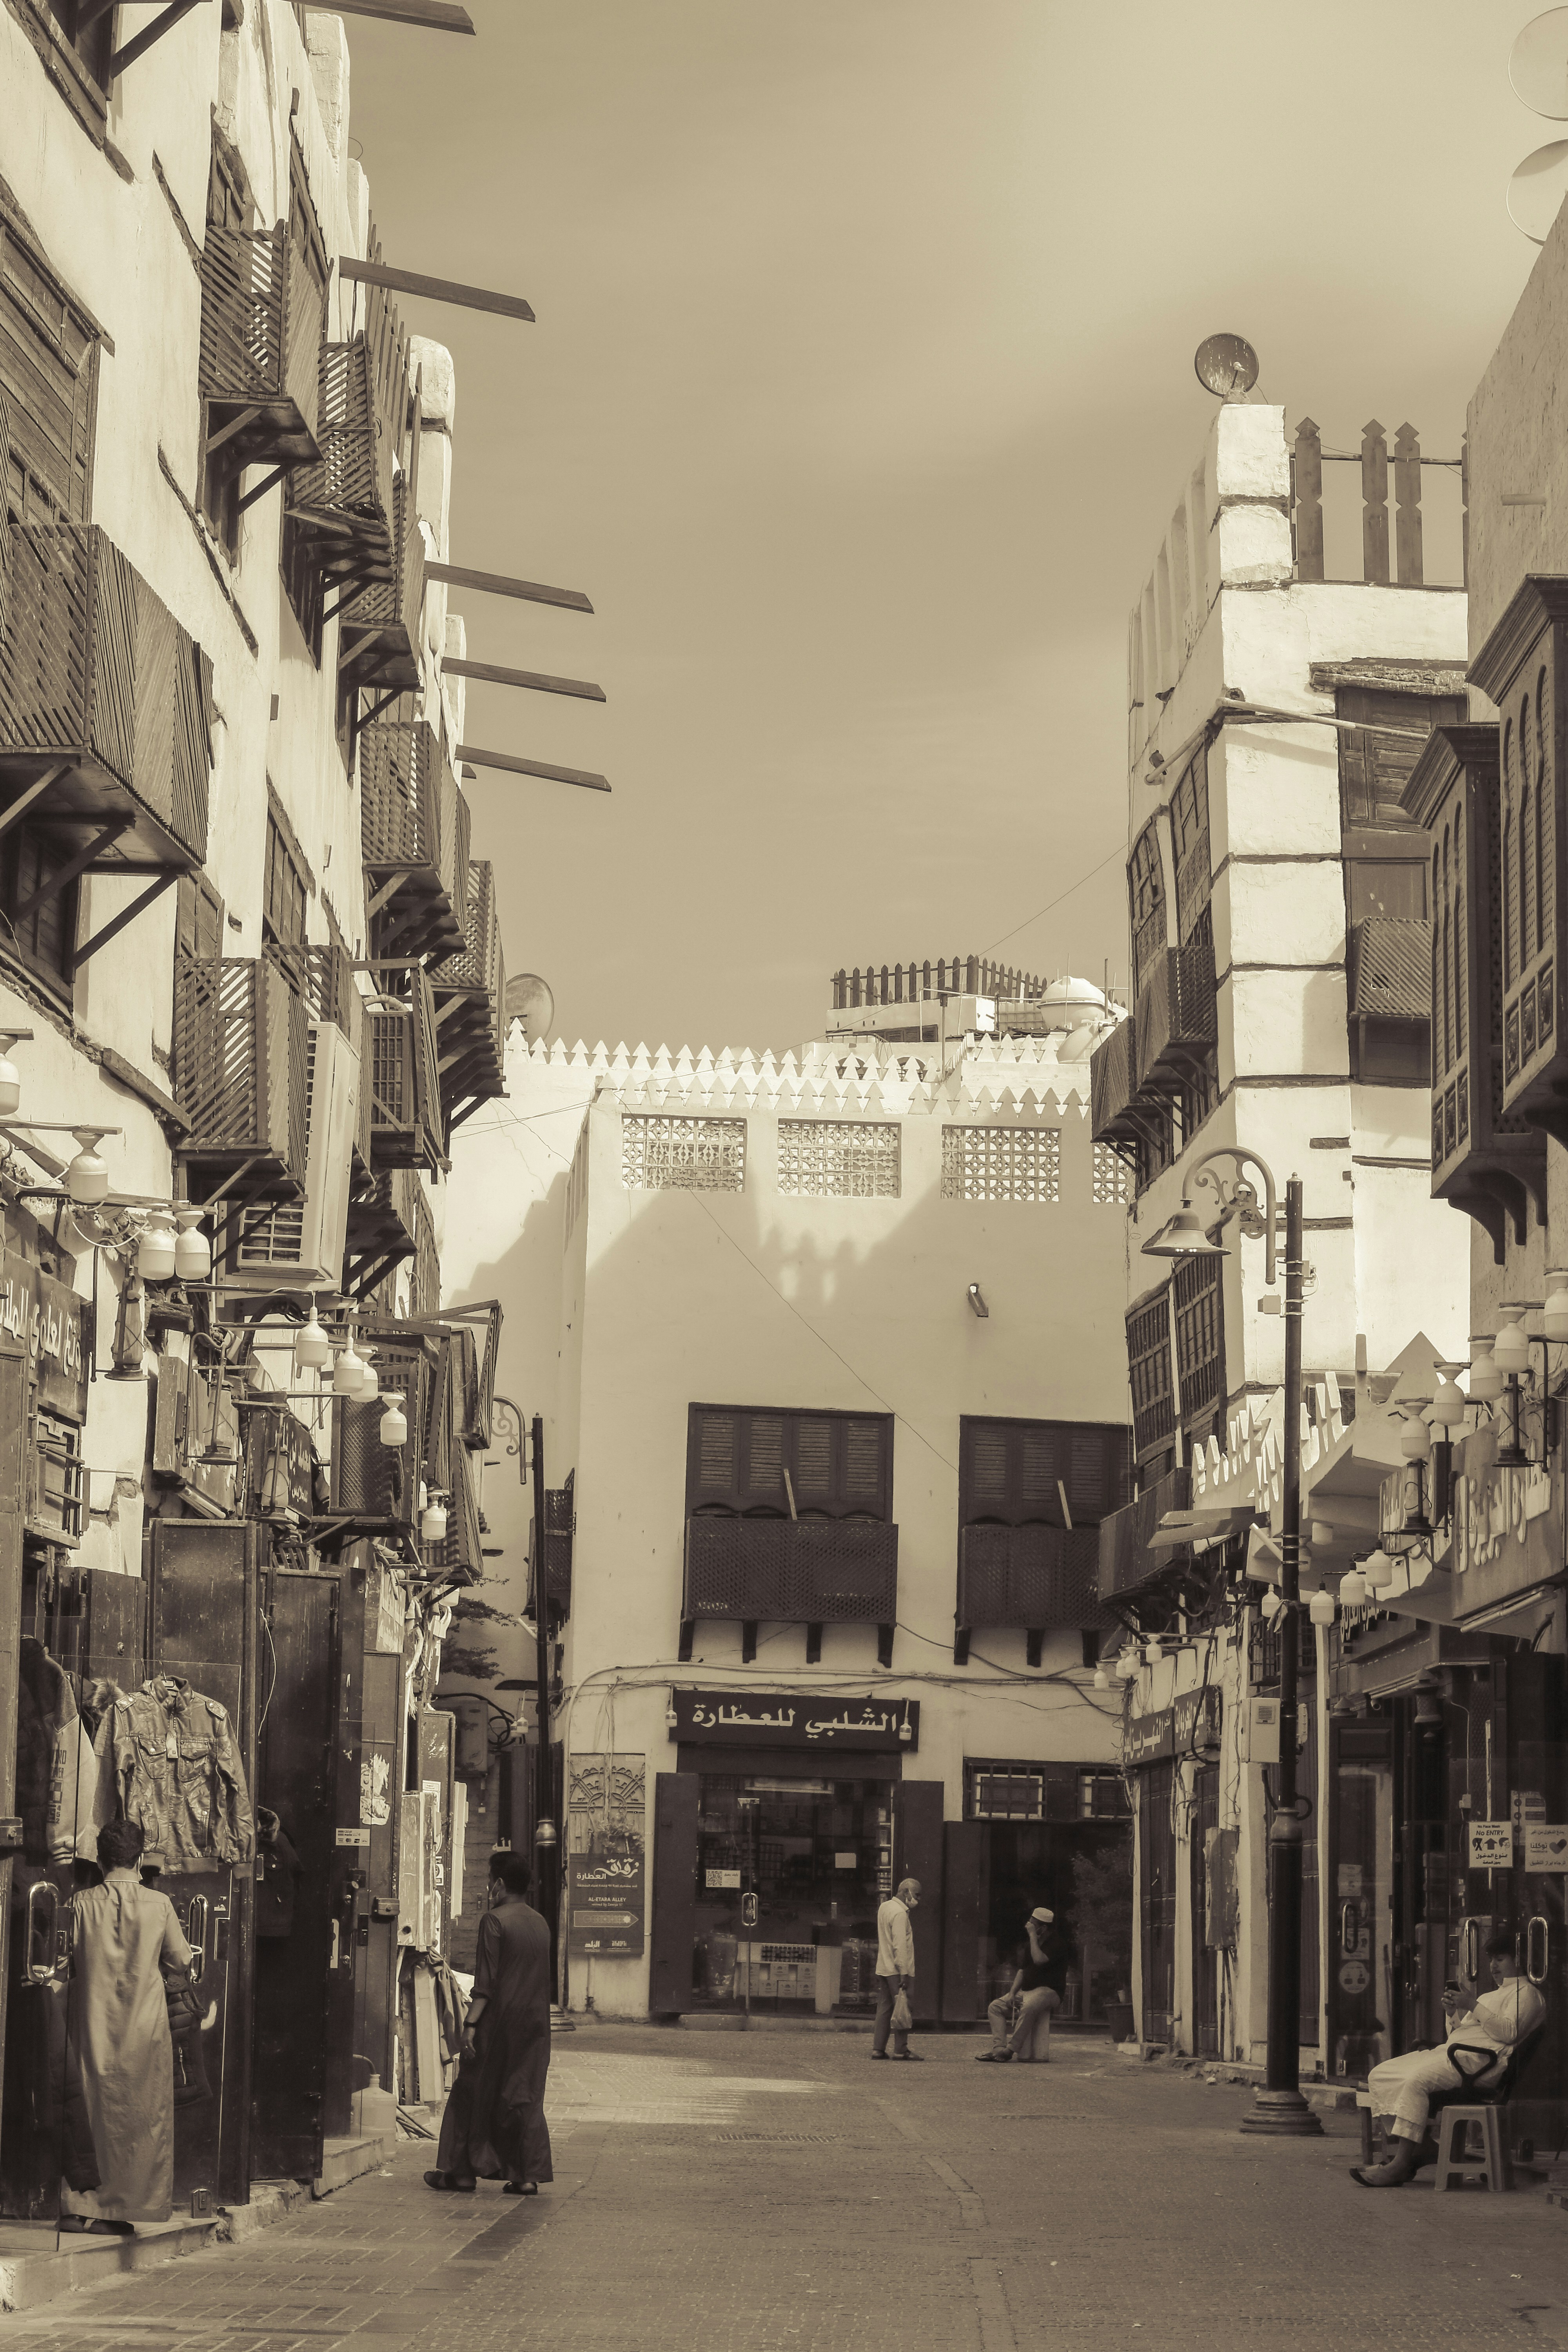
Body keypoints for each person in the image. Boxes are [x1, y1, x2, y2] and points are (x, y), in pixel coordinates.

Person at [60, 1817, 194, 2234]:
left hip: (92, 2025)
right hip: (145, 2029)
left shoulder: (81, 1904)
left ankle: (80, 2205)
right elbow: (182, 1960)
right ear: (139, 1858)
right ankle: (124, 2209)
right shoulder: (159, 1905)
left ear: (100, 1860)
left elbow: (64, 1965)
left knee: (89, 2112)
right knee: (141, 2118)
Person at [1350, 1926, 1547, 2187]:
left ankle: (1400, 2164)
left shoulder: (1528, 1994)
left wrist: (1472, 2005)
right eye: (1491, 1960)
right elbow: (1458, 2033)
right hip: (1455, 2057)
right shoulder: (1490, 1995)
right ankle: (1423, 2146)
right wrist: (1453, 2013)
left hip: (1479, 2067)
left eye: (1500, 1959)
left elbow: (1510, 2033)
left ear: (1518, 1960)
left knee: (1416, 2081)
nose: (1493, 1966)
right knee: (1381, 2074)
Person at [425, 1850, 554, 2194]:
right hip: (536, 2024)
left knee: (472, 2092)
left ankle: (461, 2173)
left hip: (499, 2022)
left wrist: (470, 2025)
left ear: (498, 1883)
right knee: (523, 2096)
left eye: (489, 1880)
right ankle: (526, 2177)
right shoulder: (540, 1921)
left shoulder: (494, 1920)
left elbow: (486, 1984)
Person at [977, 1906, 1061, 2063]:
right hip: (1029, 1991)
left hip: (1050, 1992)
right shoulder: (1032, 1943)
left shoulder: (1057, 1943)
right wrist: (1011, 1993)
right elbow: (1023, 1971)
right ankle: (998, 2049)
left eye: (1033, 1924)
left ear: (1043, 1928)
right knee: (996, 2007)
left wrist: (1032, 1937)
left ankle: (1010, 2050)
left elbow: (1039, 1960)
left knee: (1028, 2007)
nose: (1028, 1926)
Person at [871, 1877, 920, 2061]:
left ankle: (878, 2048)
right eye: (917, 1895)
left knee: (884, 2008)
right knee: (903, 2007)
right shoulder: (900, 1914)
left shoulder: (885, 1907)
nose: (918, 1899)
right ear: (906, 1892)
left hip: (883, 1966)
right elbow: (900, 1946)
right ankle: (901, 2050)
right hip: (898, 1970)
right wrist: (904, 1973)